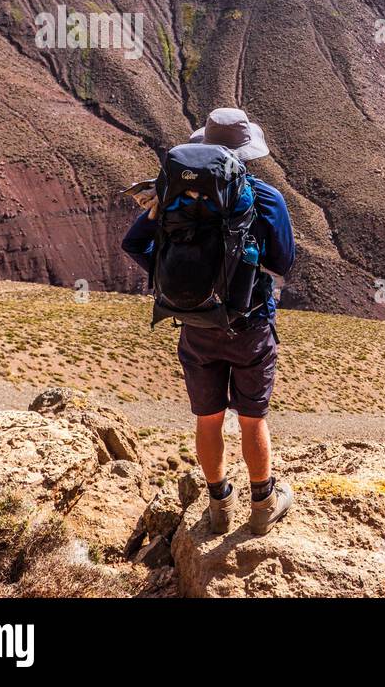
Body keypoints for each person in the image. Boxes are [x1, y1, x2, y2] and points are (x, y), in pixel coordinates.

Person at [122, 108, 296, 535]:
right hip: (249, 323)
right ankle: (263, 504)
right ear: (246, 151)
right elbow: (282, 261)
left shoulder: (171, 195)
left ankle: (220, 506)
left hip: (196, 324)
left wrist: (172, 277)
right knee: (253, 419)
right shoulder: (264, 196)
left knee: (208, 418)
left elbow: (133, 243)